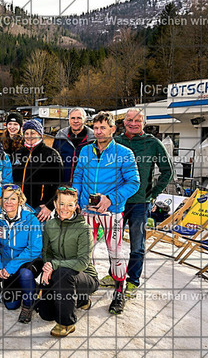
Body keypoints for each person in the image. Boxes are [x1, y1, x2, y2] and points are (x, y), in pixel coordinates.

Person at [73, 111, 140, 315]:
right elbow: (78, 175)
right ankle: (85, 291)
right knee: (85, 252)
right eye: (96, 127)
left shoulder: (124, 153)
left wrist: (110, 198)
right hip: (87, 211)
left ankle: (119, 292)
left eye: (103, 127)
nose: (99, 131)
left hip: (112, 212)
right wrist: (75, 196)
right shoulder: (85, 151)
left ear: (113, 129)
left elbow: (134, 183)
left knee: (116, 252)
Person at [113, 108, 173, 296]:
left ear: (143, 123)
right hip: (117, 201)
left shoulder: (152, 143)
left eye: (138, 120)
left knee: (136, 245)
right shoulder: (116, 142)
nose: (133, 123)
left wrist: (153, 193)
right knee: (114, 243)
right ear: (124, 122)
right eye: (129, 120)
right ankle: (115, 276)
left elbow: (167, 170)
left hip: (140, 203)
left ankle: (133, 280)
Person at [38, 186, 98, 337]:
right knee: (45, 314)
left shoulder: (83, 228)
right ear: (55, 204)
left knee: (62, 274)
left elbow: (82, 262)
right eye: (61, 203)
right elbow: (47, 252)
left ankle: (67, 322)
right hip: (58, 273)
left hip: (84, 276)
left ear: (76, 206)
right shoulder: (50, 225)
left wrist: (55, 265)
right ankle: (81, 300)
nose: (65, 208)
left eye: (70, 204)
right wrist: (47, 267)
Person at [0, 184, 43, 324]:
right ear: (1, 200)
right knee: (11, 305)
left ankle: (28, 305)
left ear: (20, 201)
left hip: (29, 260)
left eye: (13, 198)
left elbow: (34, 248)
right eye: (5, 198)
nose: (9, 202)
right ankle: (31, 289)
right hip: (8, 263)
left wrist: (10, 268)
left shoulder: (30, 218)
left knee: (25, 274)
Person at [11, 119, 64, 221]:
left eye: (32, 133)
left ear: (40, 134)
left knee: (38, 235)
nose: (29, 136)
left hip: (40, 208)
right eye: (26, 133)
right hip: (18, 205)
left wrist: (49, 206)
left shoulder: (51, 154)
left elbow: (59, 183)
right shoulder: (18, 153)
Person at [52, 108, 95, 182]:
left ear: (85, 119)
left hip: (85, 185)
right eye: (72, 118)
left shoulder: (93, 139)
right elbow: (53, 163)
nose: (75, 121)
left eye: (79, 118)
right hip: (63, 185)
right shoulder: (60, 137)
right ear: (68, 119)